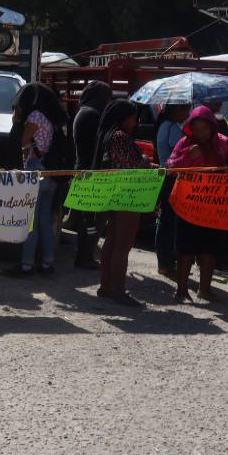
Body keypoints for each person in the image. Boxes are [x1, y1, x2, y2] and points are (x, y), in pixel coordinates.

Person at [164, 104, 228, 304]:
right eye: (196, 129)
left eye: (204, 129)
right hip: (187, 206)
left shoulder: (224, 144)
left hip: (213, 207)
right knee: (185, 249)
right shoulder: (184, 143)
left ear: (212, 127)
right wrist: (187, 157)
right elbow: (170, 166)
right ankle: (181, 291)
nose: (200, 133)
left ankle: (204, 290)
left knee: (210, 248)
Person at [7, 82, 69, 277]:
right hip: (50, 174)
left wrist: (17, 120)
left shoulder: (35, 117)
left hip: (36, 172)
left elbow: (21, 141)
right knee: (44, 221)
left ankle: (26, 265)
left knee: (30, 222)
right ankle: (47, 263)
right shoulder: (51, 118)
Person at [94, 99, 149, 306]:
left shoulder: (109, 136)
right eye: (134, 118)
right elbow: (131, 166)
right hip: (128, 195)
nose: (136, 122)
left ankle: (106, 286)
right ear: (124, 118)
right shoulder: (120, 137)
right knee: (122, 244)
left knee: (112, 241)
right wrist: (145, 160)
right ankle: (118, 290)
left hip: (114, 193)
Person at [69, 82, 114, 270]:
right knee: (90, 221)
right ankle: (84, 257)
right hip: (89, 173)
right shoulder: (92, 115)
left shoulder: (84, 111)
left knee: (86, 220)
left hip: (82, 171)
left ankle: (84, 255)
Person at [152, 103, 189, 278]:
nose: (187, 114)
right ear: (176, 110)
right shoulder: (173, 128)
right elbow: (181, 153)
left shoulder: (163, 126)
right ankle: (167, 263)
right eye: (185, 110)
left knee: (164, 219)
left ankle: (163, 262)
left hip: (164, 177)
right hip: (172, 178)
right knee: (168, 221)